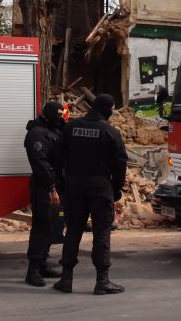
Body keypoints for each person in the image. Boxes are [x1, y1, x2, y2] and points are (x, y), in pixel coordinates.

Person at [53, 93, 128, 295]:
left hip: (74, 186)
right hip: (101, 187)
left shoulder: (71, 128)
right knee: (102, 233)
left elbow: (57, 156)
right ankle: (102, 281)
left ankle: (66, 279)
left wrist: (61, 183)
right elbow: (121, 162)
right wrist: (116, 188)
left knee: (73, 231)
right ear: (108, 108)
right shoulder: (110, 131)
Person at [23, 100, 67, 287]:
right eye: (57, 115)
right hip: (44, 187)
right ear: (48, 114)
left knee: (51, 226)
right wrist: (51, 188)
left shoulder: (53, 131)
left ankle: (42, 264)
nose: (60, 118)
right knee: (41, 227)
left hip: (56, 185)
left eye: (61, 114)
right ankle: (32, 271)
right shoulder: (37, 134)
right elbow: (40, 164)